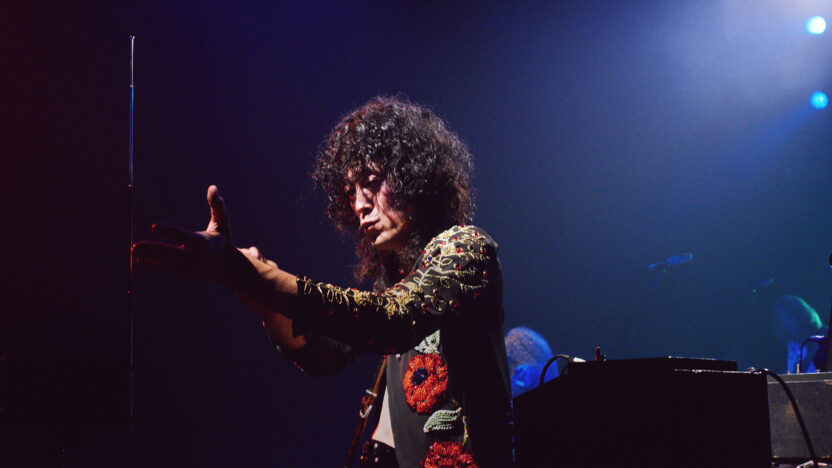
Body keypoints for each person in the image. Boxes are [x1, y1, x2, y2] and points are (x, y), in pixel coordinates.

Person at [132, 96, 513, 467]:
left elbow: (391, 319)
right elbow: (323, 354)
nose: (360, 204)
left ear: (414, 175)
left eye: (372, 182)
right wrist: (258, 294)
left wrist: (250, 273)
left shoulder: (468, 248)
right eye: (350, 193)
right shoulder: (396, 284)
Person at [772, 295, 828, 373]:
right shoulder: (791, 344)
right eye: (782, 321)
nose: (786, 324)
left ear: (800, 315)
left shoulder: (824, 335)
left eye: (789, 318)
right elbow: (794, 374)